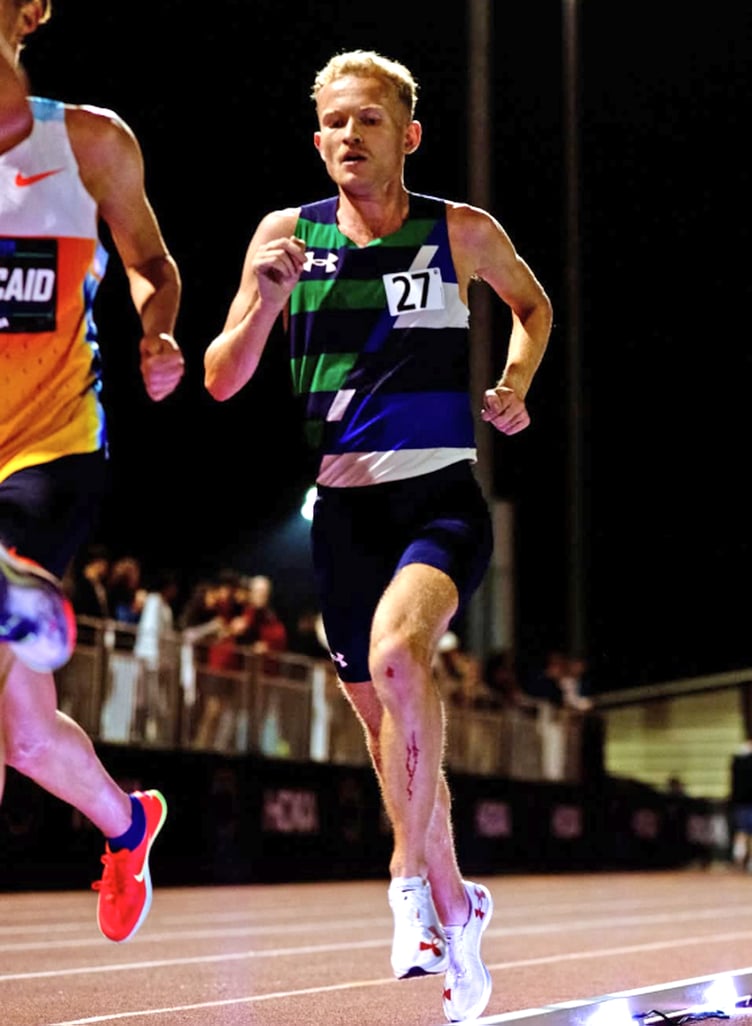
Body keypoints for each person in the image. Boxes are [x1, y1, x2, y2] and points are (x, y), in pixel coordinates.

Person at [204, 49, 552, 1021]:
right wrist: (265, 296)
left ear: (408, 134)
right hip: (343, 516)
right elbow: (220, 380)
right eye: (333, 124)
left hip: (438, 501)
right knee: (380, 727)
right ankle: (455, 902)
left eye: (368, 120)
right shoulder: (285, 238)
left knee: (402, 662)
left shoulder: (459, 233)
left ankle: (412, 885)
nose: (348, 137)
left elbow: (534, 307)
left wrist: (514, 386)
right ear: (315, 141)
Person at [0, 0, 184, 942]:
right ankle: (126, 820)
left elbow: (150, 259)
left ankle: (15, 591)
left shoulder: (90, 144)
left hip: (48, 454)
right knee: (24, 735)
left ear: (28, 14)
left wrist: (156, 329)